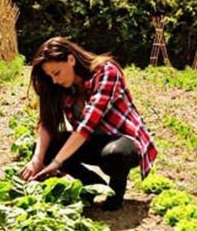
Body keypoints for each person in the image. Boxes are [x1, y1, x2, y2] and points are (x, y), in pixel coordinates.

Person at [21, 36, 158, 211]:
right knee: (45, 147)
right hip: (93, 140)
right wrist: (37, 160)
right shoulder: (61, 87)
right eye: (50, 76)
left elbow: (86, 125)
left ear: (71, 59)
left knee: (114, 155)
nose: (54, 80)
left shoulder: (106, 72)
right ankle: (91, 183)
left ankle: (115, 194)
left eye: (56, 73)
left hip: (123, 140)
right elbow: (47, 122)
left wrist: (57, 163)